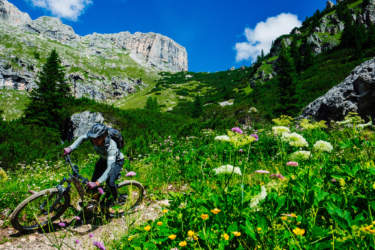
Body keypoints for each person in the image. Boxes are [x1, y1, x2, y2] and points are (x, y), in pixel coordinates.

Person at [63, 123, 124, 203]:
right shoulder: (95, 137)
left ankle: (116, 200)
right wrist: (70, 148)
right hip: (104, 159)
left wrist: (97, 183)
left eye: (97, 138)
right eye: (93, 138)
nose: (94, 141)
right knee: (92, 183)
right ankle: (92, 202)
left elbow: (110, 168)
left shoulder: (111, 147)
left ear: (104, 136)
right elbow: (82, 138)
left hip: (116, 161)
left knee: (110, 183)